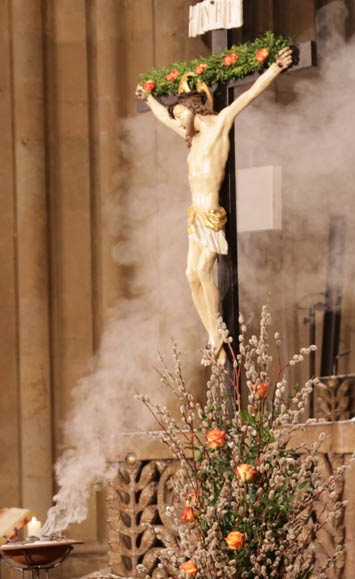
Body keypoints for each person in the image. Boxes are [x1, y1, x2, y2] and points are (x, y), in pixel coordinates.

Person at [135, 47, 293, 355]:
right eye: (177, 118)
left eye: (182, 116)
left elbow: (248, 96)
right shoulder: (192, 136)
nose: (179, 123)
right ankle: (212, 333)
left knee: (203, 269)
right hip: (195, 214)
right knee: (190, 274)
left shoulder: (219, 125)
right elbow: (163, 118)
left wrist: (274, 68)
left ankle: (217, 332)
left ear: (194, 109)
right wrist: (150, 99)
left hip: (210, 212)